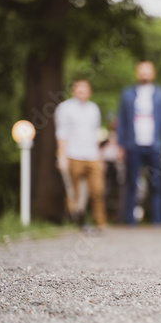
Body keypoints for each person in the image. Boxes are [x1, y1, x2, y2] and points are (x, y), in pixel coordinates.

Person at [117, 61, 161, 225]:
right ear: (137, 73)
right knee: (131, 183)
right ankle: (130, 220)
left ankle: (157, 220)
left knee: (156, 183)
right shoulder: (127, 93)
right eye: (141, 71)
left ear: (153, 73)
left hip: (154, 145)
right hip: (133, 144)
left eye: (147, 71)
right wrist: (120, 144)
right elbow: (122, 120)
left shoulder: (159, 94)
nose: (144, 74)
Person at [55, 79, 107, 230]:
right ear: (73, 90)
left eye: (84, 89)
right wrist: (62, 155)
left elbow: (95, 133)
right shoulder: (64, 108)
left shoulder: (93, 109)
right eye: (78, 88)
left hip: (92, 155)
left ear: (89, 92)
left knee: (97, 190)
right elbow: (61, 133)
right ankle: (73, 221)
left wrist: (99, 155)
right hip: (73, 154)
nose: (81, 92)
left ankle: (100, 223)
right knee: (73, 191)